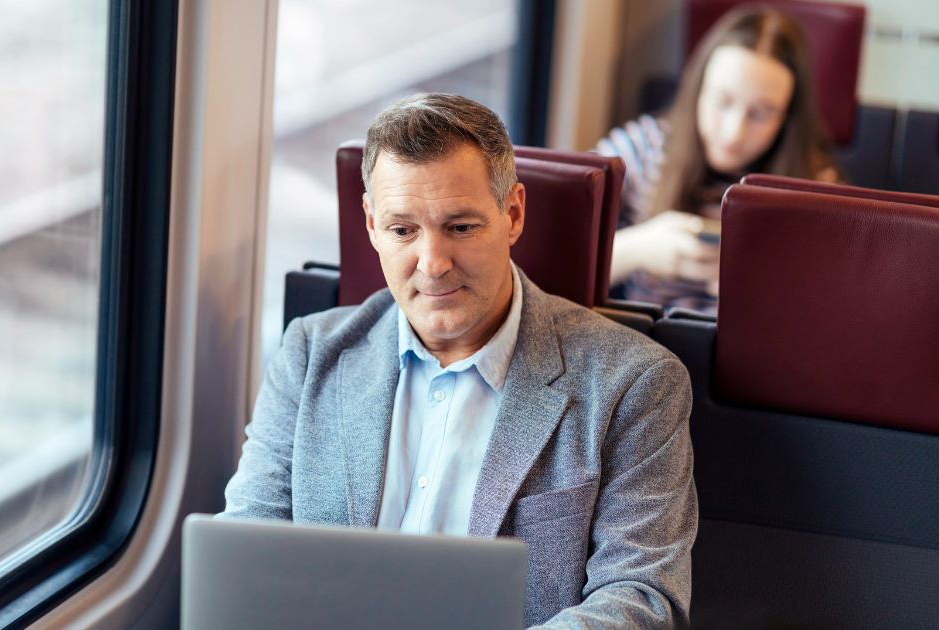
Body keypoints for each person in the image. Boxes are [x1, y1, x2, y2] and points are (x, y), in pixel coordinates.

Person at [221, 93, 697, 629]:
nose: (432, 264)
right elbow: (246, 551)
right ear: (372, 225)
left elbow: (641, 595)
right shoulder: (310, 355)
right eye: (403, 230)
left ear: (512, 214)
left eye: (461, 227)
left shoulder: (634, 383)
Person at [598, 5, 841, 313]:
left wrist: (768, 291)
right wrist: (637, 249)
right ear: (698, 89)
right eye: (722, 101)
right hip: (642, 340)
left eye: (760, 114)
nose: (733, 132)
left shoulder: (817, 189)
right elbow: (554, 262)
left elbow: (832, 310)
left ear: (787, 119)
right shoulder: (639, 149)